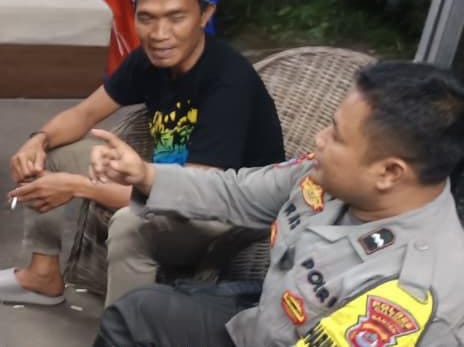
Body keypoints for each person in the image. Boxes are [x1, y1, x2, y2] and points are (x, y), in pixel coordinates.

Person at [0, 0, 284, 306]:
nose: (159, 34)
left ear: (205, 15)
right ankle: (43, 275)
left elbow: (196, 194)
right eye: (147, 18)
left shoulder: (228, 81)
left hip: (228, 209)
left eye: (176, 17)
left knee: (131, 225)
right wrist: (37, 141)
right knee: (50, 155)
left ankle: (125, 328)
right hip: (165, 177)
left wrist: (79, 187)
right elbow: (85, 113)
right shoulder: (148, 61)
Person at [90, 61, 464, 346]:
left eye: (337, 136)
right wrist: (145, 174)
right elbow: (238, 192)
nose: (319, 139)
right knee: (137, 313)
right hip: (267, 317)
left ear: (389, 173)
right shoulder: (332, 176)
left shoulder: (408, 294)